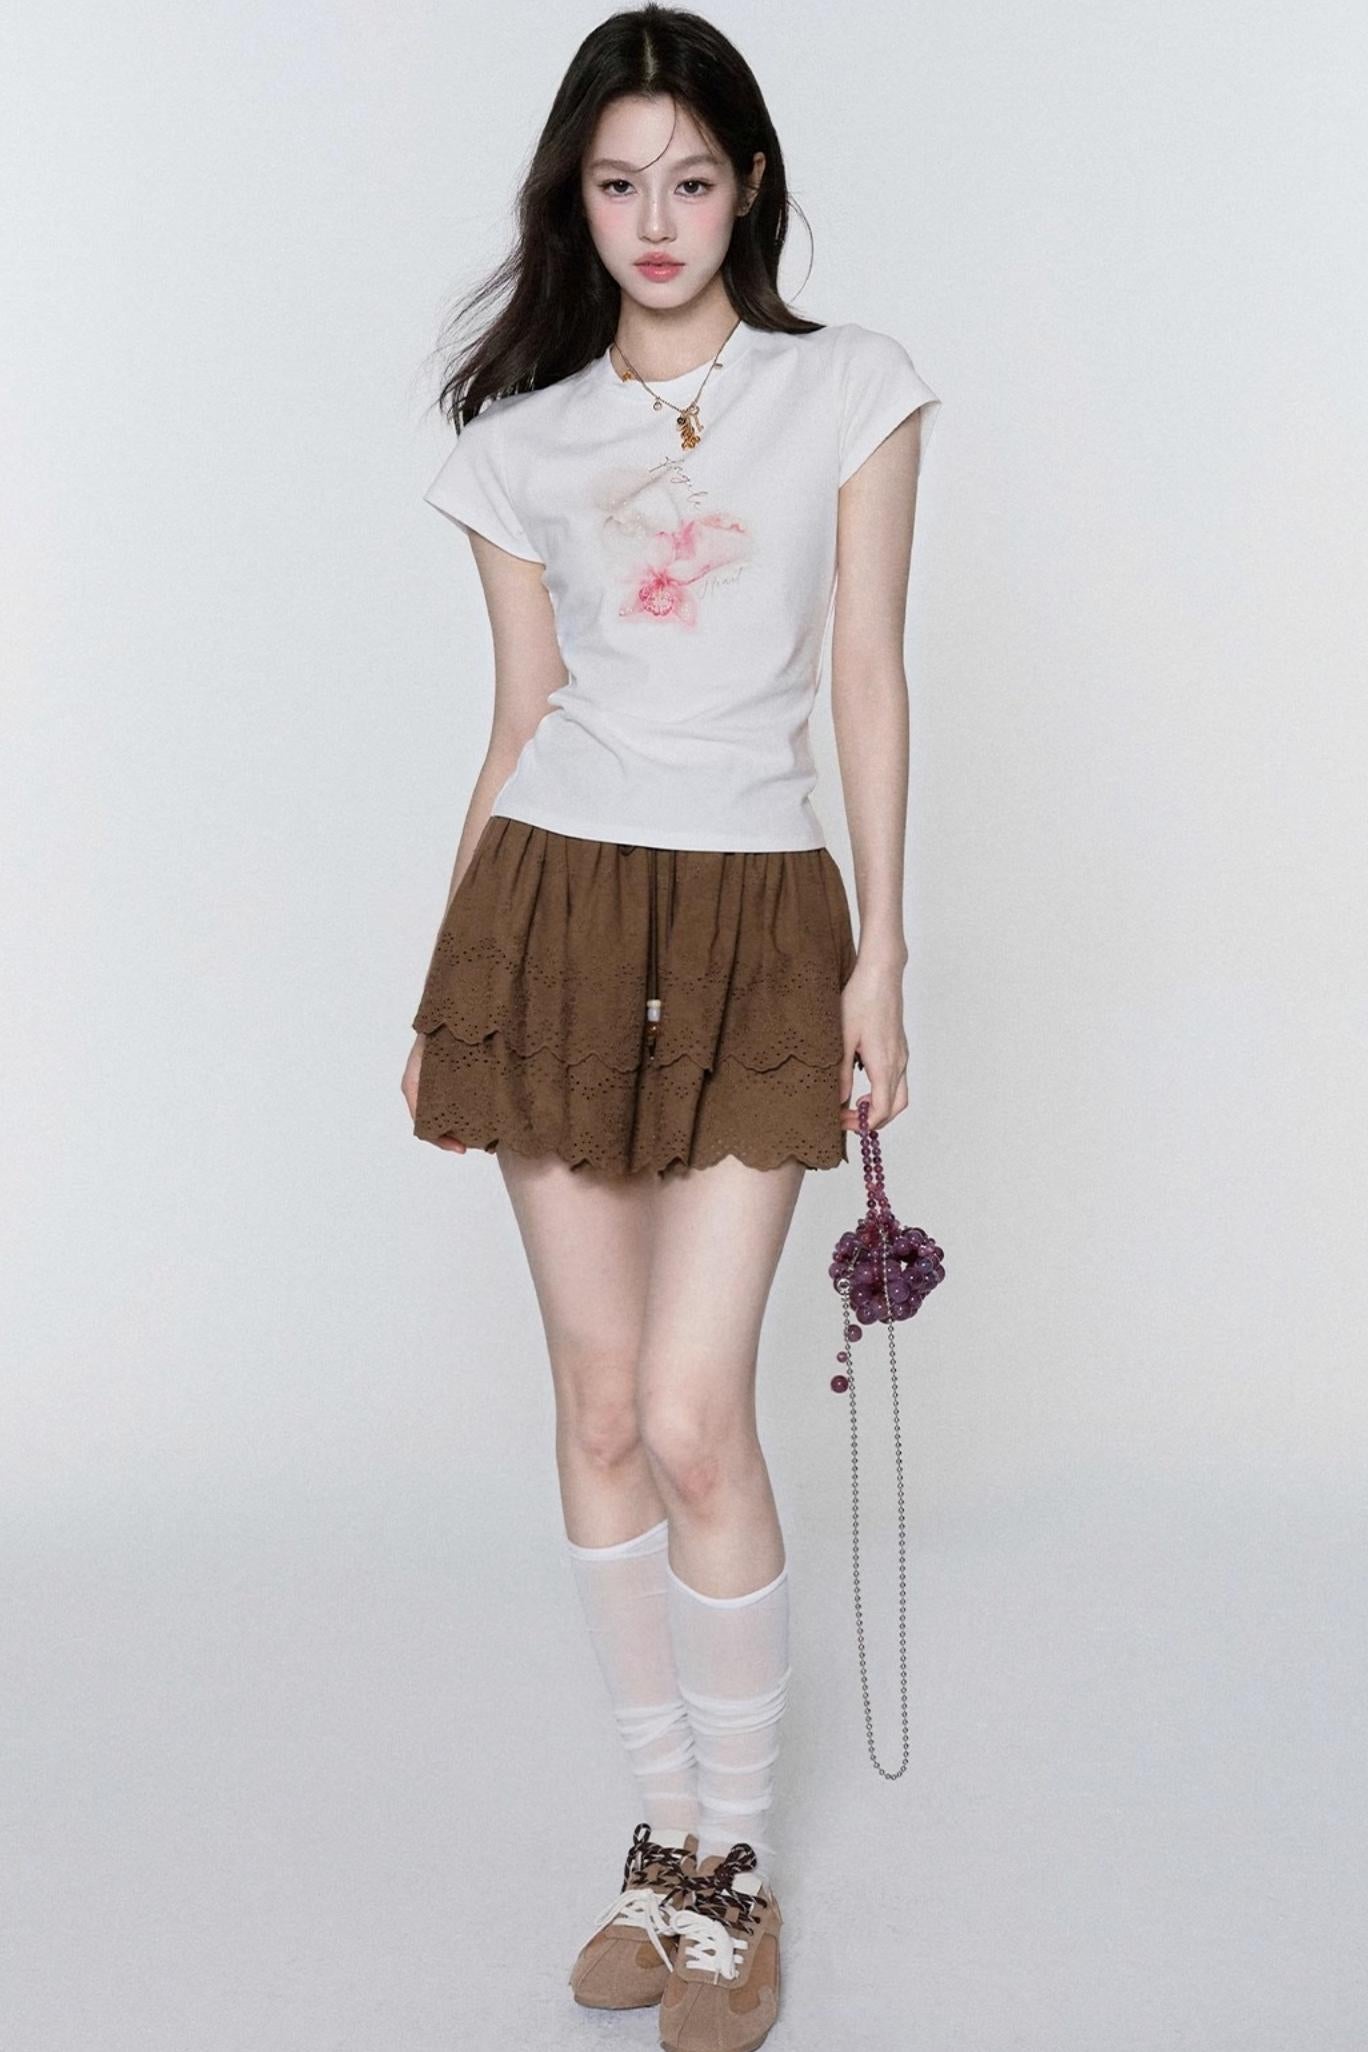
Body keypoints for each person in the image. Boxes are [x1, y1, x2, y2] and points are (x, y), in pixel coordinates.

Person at [400, 8, 940, 2046]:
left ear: (749, 188)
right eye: (618, 182)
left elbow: (867, 677)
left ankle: (740, 1873)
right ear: (577, 197)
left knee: (704, 1411)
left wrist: (883, 958)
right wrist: (447, 979)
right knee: (608, 1406)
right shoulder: (517, 441)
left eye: (690, 180)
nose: (654, 219)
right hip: (549, 909)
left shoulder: (848, 390)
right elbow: (519, 719)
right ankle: (665, 1848)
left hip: (754, 917)